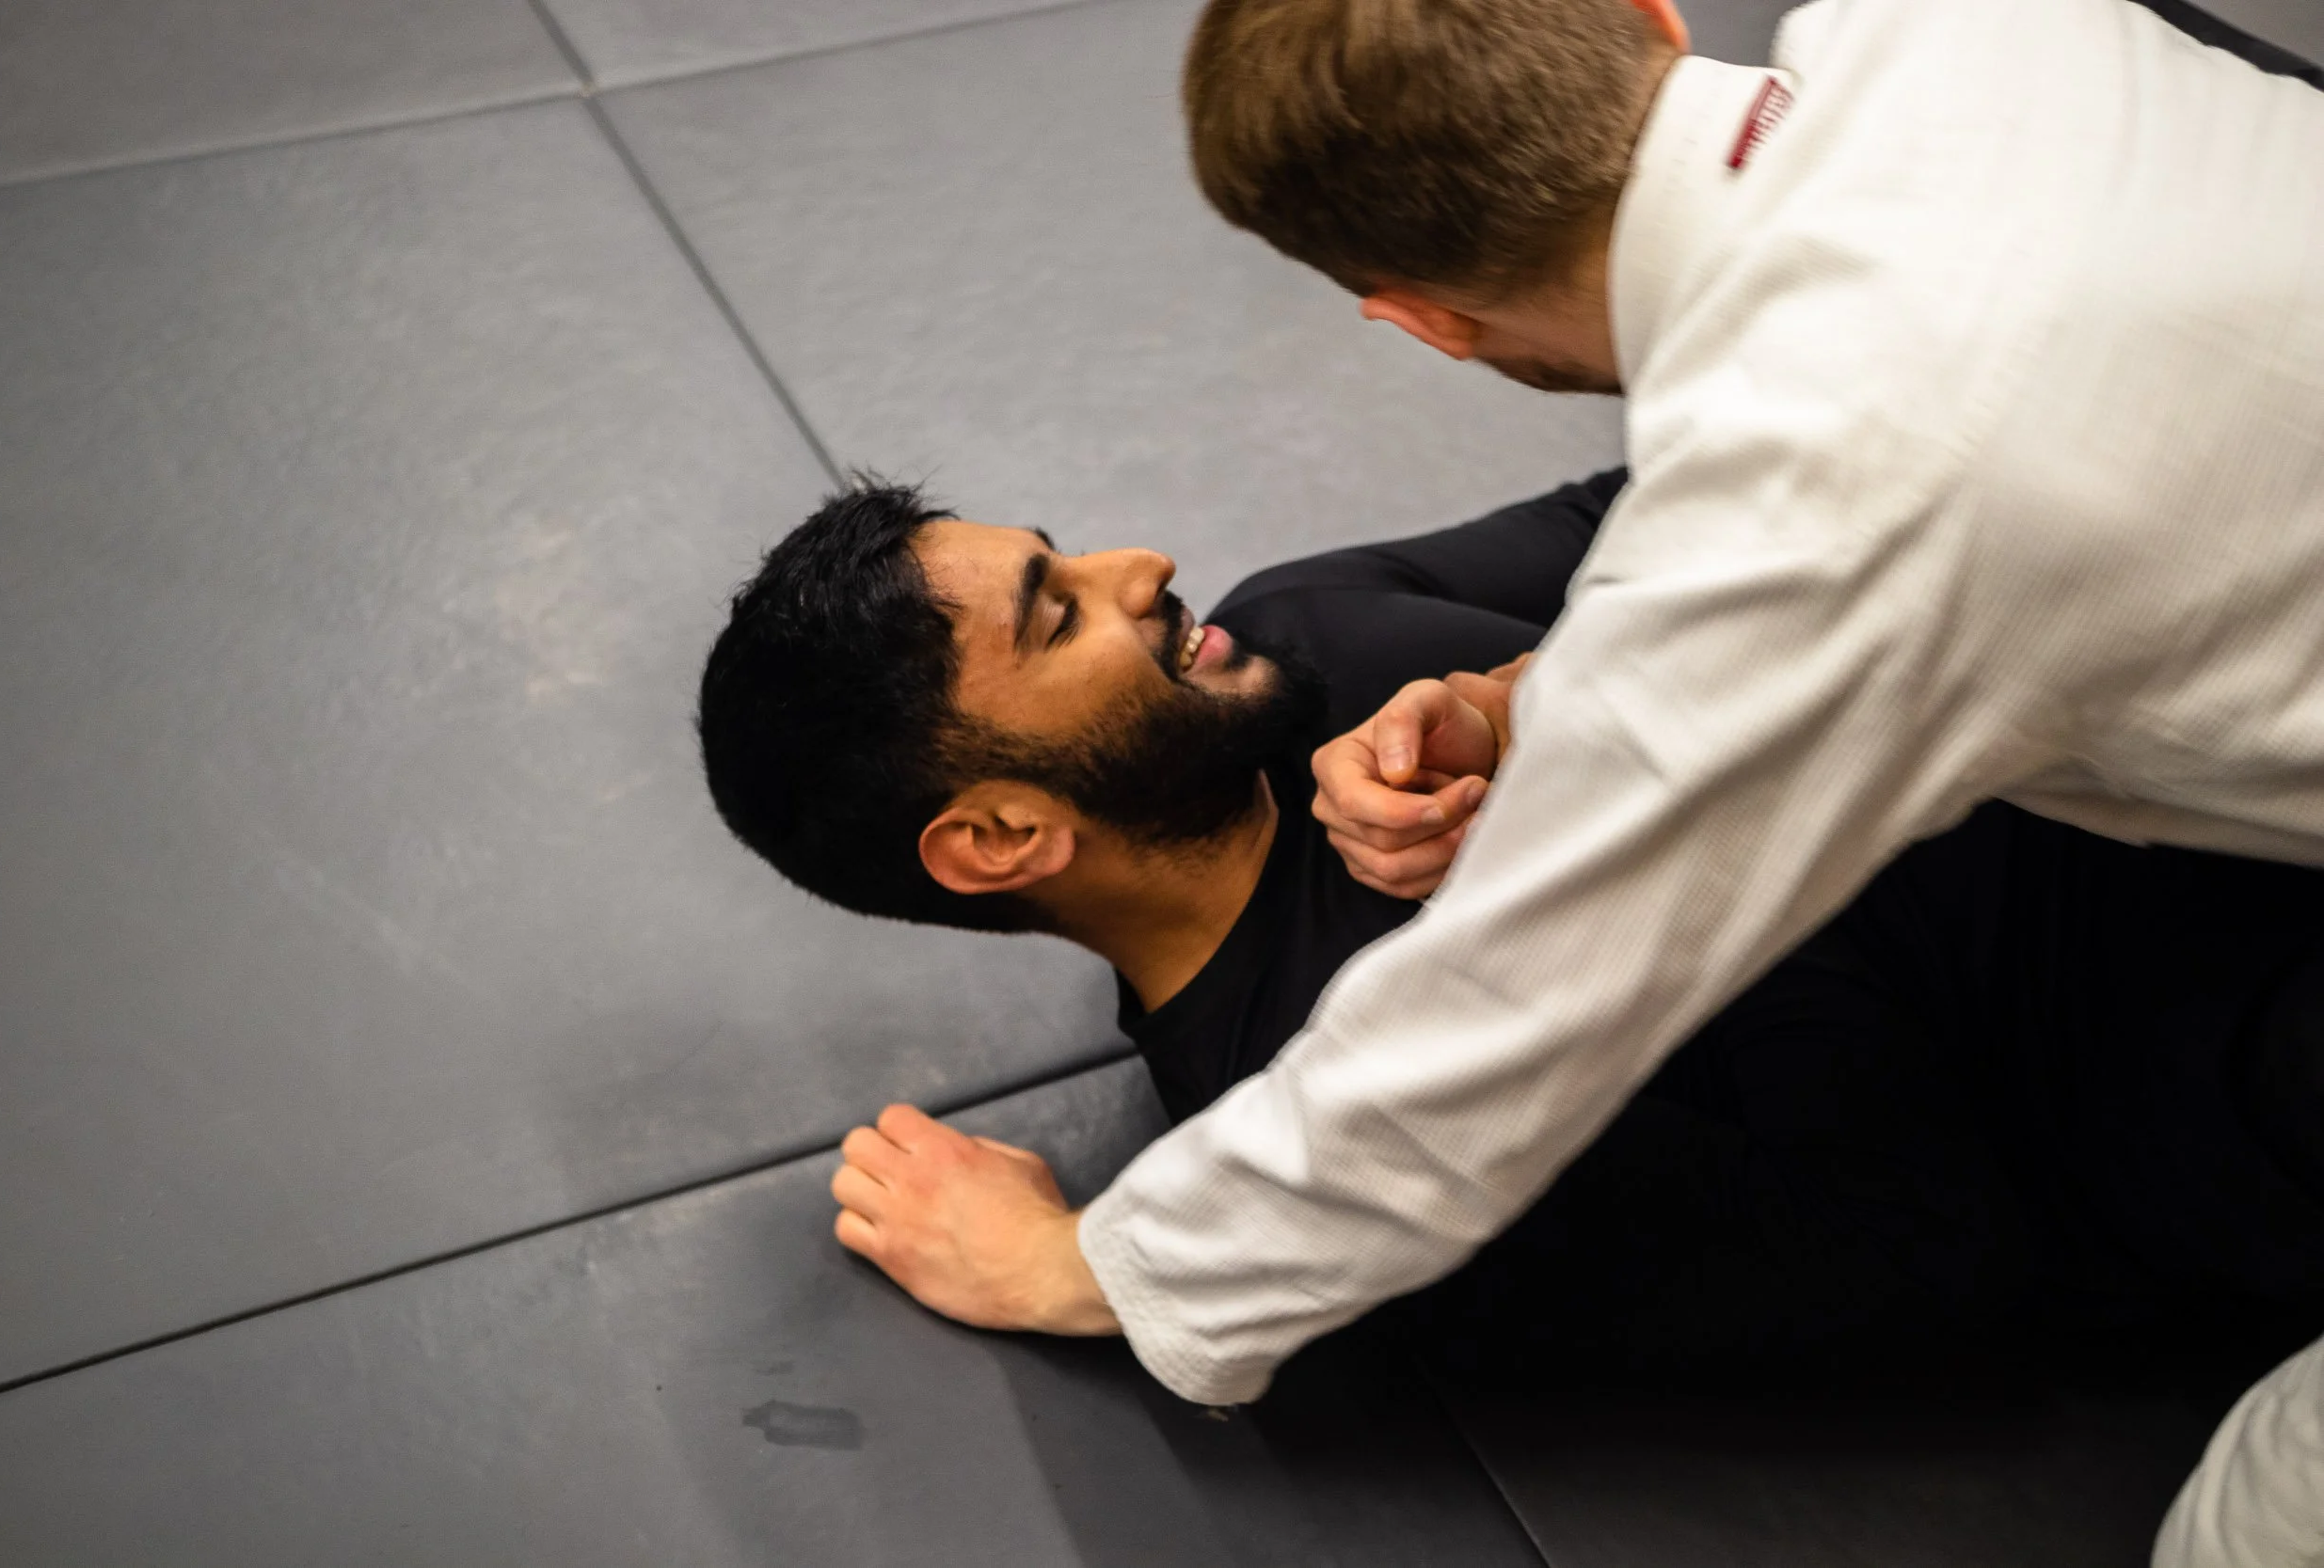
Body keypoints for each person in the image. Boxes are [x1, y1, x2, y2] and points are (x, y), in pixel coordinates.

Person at [772, 0, 2323, 1558]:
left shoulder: (1770, 526)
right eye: (1057, 612)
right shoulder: (1971, 31)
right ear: (1651, 12)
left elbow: (1500, 1019)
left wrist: (1081, 1264)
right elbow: (1894, 1239)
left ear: (1426, 319)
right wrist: (1540, 698)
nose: (1145, 561)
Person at [699, 472, 2324, 1390]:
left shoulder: (1298, 632)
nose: (1146, 565)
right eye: (1059, 614)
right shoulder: (1317, 1126)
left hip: (2185, 741)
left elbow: (1674, 497)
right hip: (2230, 1056)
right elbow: (1943, 1253)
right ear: (1002, 837)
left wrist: (1518, 695)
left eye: (1062, 555)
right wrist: (1620, 805)